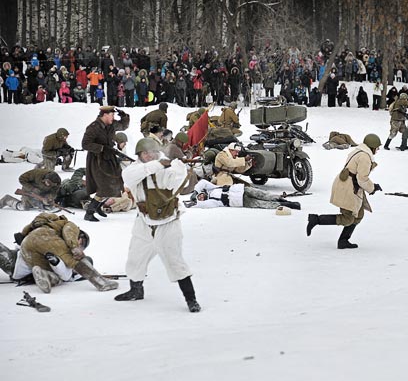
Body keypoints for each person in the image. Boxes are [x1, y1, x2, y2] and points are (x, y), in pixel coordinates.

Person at [113, 138, 201, 312]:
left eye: (152, 152)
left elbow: (177, 182)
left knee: (175, 262)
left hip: (168, 223)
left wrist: (179, 165)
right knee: (135, 258)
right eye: (146, 153)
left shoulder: (166, 169)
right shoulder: (134, 169)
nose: (150, 155)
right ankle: (135, 290)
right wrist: (159, 164)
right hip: (144, 222)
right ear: (139, 155)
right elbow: (132, 176)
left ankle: (191, 299)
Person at [0, 213, 117, 293]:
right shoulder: (70, 226)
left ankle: (46, 276)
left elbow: (26, 230)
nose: (81, 247)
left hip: (23, 257)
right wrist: (74, 246)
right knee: (75, 260)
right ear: (80, 236)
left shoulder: (52, 228)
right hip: (44, 236)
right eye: (82, 243)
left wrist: (24, 234)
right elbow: (69, 231)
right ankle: (101, 283)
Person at [307, 134, 382, 249]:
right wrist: (372, 188)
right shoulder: (365, 157)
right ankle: (316, 219)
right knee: (348, 218)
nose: (378, 150)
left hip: (350, 185)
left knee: (358, 215)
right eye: (377, 147)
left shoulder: (360, 151)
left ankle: (343, 241)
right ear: (372, 147)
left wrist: (371, 187)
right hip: (348, 188)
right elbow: (362, 179)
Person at [81, 106, 130, 222]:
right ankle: (89, 212)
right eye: (112, 115)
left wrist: (124, 116)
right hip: (97, 160)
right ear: (104, 115)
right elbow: (85, 144)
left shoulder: (111, 125)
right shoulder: (93, 127)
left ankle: (98, 207)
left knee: (115, 183)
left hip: (109, 158)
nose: (113, 117)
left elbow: (123, 126)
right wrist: (102, 148)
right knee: (104, 186)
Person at [186, 179, 300, 210]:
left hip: (243, 190)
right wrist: (194, 204)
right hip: (241, 201)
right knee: (264, 204)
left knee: (265, 195)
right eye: (199, 198)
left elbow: (203, 183)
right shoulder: (212, 202)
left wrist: (195, 191)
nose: (201, 197)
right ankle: (289, 205)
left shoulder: (212, 189)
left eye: (199, 195)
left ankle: (284, 200)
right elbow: (204, 205)